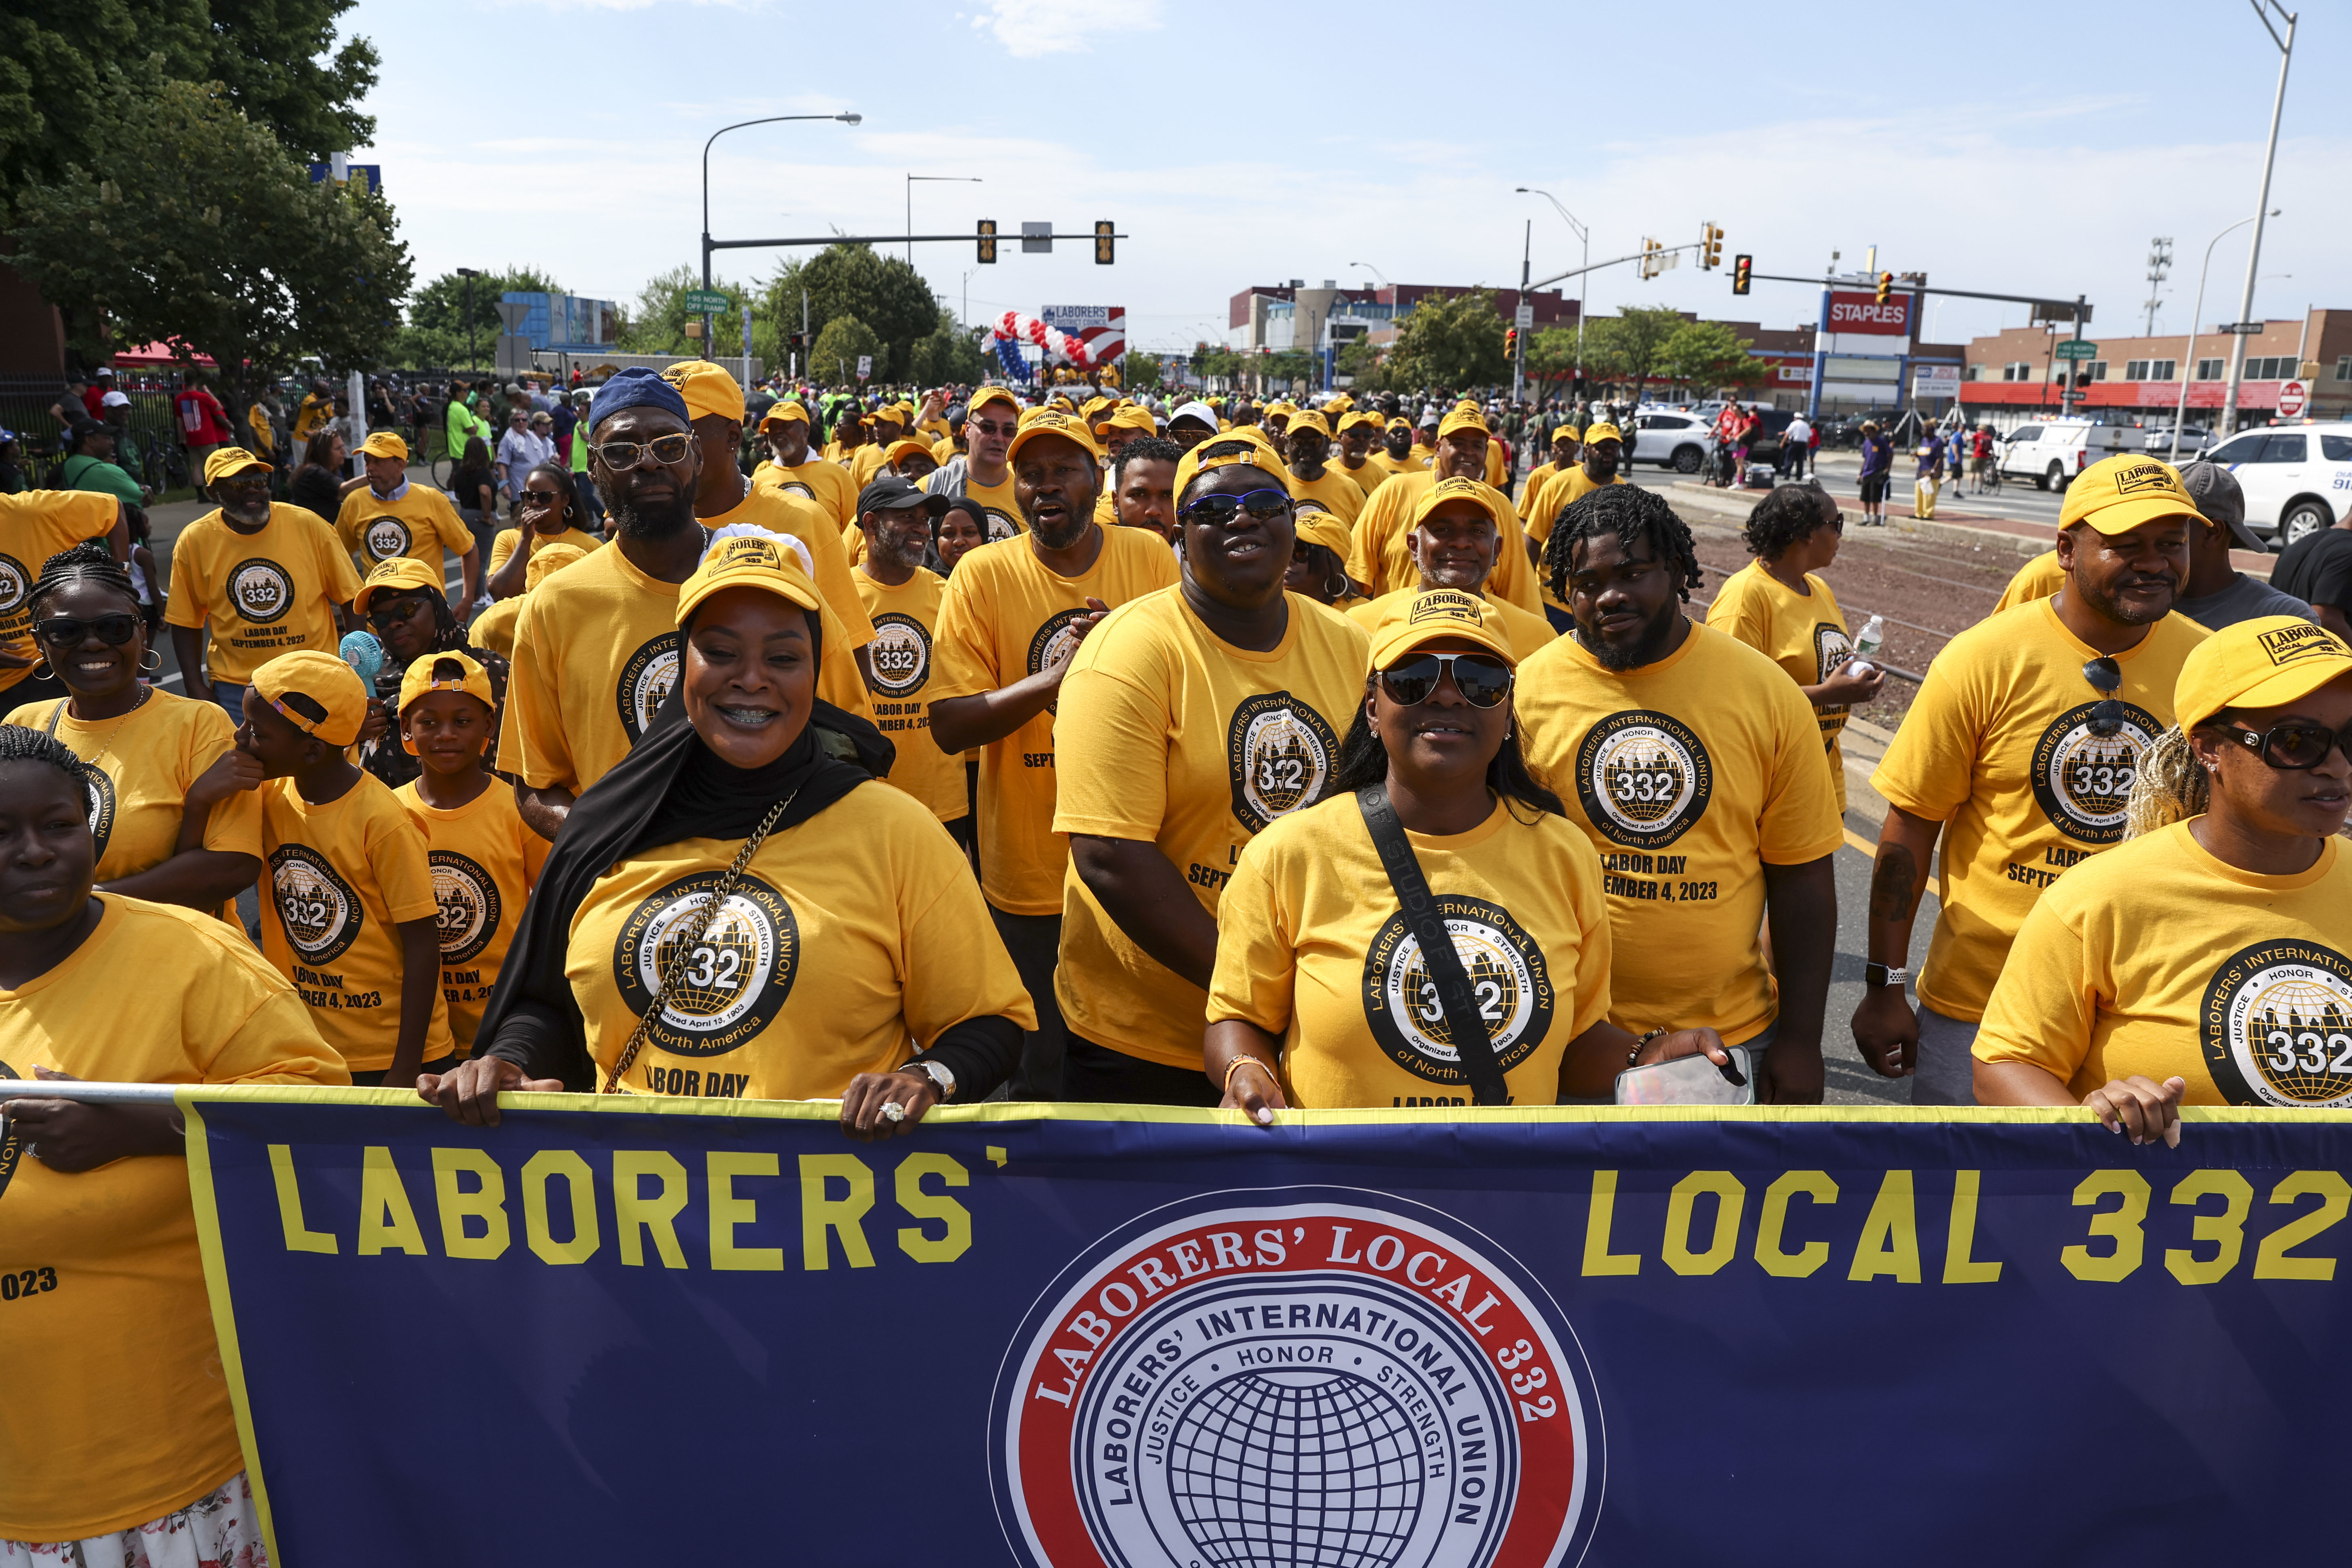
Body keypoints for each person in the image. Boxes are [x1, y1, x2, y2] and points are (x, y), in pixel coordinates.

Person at [420, 535, 1034, 1128]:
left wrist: (926, 1077)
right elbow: (545, 1004)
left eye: (783, 657)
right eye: (719, 651)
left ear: (814, 675)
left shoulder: (896, 832)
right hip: (631, 1216)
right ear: (681, 665)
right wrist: (509, 1062)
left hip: (826, 1215)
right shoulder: (605, 829)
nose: (750, 678)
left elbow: (989, 1023)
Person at [0, 723, 344, 1565]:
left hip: (166, 1467)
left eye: (59, 825)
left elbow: (321, 1114)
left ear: (93, 828)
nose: (35, 852)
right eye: (2, 834)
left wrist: (140, 1128)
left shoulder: (191, 955)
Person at [1206, 588, 1731, 1114]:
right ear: (1372, 705)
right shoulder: (1286, 854)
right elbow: (1237, 1018)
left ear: (1506, 714)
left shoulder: (1564, 854)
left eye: (1479, 681)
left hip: (1497, 1189)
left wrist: (1648, 1055)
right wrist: (1244, 1070)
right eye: (1414, 678)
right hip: (1342, 1190)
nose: (1448, 696)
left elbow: (1574, 1042)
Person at [1855, 454, 2212, 1104]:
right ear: (2065, 550)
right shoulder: (1981, 660)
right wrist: (1883, 984)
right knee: (1962, 1197)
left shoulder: (2206, 668)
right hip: (1981, 1004)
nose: (2155, 562)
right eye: (2125, 545)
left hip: (2143, 1008)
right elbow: (1910, 825)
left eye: (2170, 543)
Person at [1052, 435, 1370, 1103]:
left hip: (1311, 1029)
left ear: (1292, 519)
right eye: (1211, 510)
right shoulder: (1127, 652)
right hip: (1146, 1038)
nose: (1241, 518)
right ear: (1177, 532)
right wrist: (1259, 994)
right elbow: (1110, 855)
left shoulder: (1348, 644)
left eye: (1263, 502)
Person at [1521, 484, 1842, 1102]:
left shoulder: (1765, 693)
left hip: (1731, 1039)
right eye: (1585, 584)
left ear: (1674, 570)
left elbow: (1801, 877)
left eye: (1632, 573)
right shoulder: (1524, 693)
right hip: (1569, 1040)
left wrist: (1801, 1040)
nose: (1608, 596)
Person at [1975, 616, 2352, 1130]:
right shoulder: (2101, 898)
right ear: (2209, 748)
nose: (2337, 765)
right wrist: (2094, 1121)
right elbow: (2003, 1066)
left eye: (2350, 739)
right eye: (2296, 741)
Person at [500, 368, 865, 840]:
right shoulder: (554, 605)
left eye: (668, 446)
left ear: (694, 454)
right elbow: (534, 784)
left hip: (777, 883)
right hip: (628, 894)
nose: (648, 463)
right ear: (591, 470)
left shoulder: (775, 576)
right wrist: (614, 845)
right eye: (622, 452)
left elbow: (850, 746)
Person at [929, 411, 1180, 1097]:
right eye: (1030, 474)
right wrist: (1054, 678)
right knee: (1039, 1068)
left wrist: (1121, 648)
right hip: (1028, 871)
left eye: (1062, 471)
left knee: (1136, 1059)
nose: (1045, 487)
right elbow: (950, 725)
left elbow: (1186, 689)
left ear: (1096, 479)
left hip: (1141, 855)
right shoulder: (980, 575)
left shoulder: (1148, 558)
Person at [4, 540, 262, 915]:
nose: (92, 643)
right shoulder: (22, 726)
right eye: (65, 631)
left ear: (142, 634)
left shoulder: (198, 723)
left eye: (114, 627)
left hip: (174, 963)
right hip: (52, 965)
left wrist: (86, 902)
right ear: (40, 643)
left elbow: (231, 866)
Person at [241, 649, 453, 1087]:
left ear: (314, 750)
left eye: (257, 732)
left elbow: (422, 944)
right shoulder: (270, 795)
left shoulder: (383, 821)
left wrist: (405, 1067)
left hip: (393, 1052)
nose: (240, 739)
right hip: (313, 1045)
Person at [664, 360, 877, 712]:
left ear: (734, 436)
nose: (668, 447)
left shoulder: (803, 522)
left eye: (683, 431)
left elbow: (851, 653)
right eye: (658, 433)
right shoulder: (645, 524)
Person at [393, 649, 545, 1056]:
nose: (446, 734)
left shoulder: (519, 811)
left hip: (503, 1027)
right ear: (406, 730)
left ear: (488, 728)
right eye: (428, 723)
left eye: (462, 722)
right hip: (418, 1036)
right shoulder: (389, 813)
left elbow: (549, 912)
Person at [1706, 484, 1885, 812]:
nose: (1840, 535)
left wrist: (1855, 674)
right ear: (1806, 532)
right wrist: (1826, 694)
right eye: (1837, 524)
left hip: (1823, 766)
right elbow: (1725, 699)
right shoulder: (1746, 596)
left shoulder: (1816, 587)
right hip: (1770, 781)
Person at [167, 448, 361, 725]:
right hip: (237, 687)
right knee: (248, 766)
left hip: (313, 678)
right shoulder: (194, 541)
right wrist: (194, 685)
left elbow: (351, 597)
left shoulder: (309, 526)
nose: (252, 491)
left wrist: (355, 665)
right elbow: (184, 620)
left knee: (320, 761)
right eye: (238, 485)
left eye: (258, 482)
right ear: (213, 494)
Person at [852, 475, 969, 850]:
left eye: (924, 519)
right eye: (907, 518)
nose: (922, 528)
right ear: (871, 524)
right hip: (865, 795)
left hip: (942, 798)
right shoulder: (840, 595)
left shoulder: (946, 594)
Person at [1346, 404, 1541, 610]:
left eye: (1477, 446)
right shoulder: (1394, 491)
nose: (1468, 452)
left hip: (1477, 637)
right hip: (1400, 634)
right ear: (1438, 448)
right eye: (1458, 444)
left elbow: (1520, 594)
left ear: (1487, 451)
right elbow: (1356, 573)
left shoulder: (1500, 506)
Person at [1348, 477, 1554, 662]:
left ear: (1497, 550)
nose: (1461, 543)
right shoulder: (1358, 628)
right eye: (1443, 530)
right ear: (1414, 547)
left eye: (1477, 531)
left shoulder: (1538, 639)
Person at [352, 556, 509, 790]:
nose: (395, 623)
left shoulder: (490, 671)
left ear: (437, 607)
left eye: (406, 610)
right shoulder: (368, 681)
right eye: (382, 618)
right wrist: (351, 732)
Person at [336, 430, 482, 611]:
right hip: (376, 622)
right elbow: (340, 555)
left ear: (401, 465)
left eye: (378, 461)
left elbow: (468, 549)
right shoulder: (354, 502)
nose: (370, 468)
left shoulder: (432, 500)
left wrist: (467, 600)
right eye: (367, 461)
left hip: (428, 619)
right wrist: (353, 599)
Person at [922, 385, 1028, 542]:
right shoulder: (932, 488)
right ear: (968, 430)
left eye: (1008, 430)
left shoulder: (1029, 494)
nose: (999, 438)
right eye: (988, 428)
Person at [486, 460, 602, 600]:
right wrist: (525, 540)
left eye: (544, 496)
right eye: (529, 496)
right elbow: (499, 593)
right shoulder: (508, 538)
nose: (535, 502)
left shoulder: (591, 546)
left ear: (565, 500)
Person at [752, 397, 858, 532]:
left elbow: (854, 532)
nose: (778, 431)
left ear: (806, 430)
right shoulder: (758, 481)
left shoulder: (839, 476)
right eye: (773, 428)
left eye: (786, 426)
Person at [2272, 491, 2352, 639]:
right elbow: (2326, 617)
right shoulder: (2348, 553)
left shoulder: (2298, 544)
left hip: (2277, 649)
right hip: (2317, 657)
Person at [1280, 411, 1364, 525]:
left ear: (1328, 444)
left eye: (1316, 441)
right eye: (1298, 441)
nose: (1306, 447)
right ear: (1287, 444)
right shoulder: (1275, 482)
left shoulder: (1351, 490)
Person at [1286, 509, 1367, 612]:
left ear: (1330, 561)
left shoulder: (1361, 612)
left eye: (1301, 551)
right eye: (1287, 548)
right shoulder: (1271, 609)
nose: (1289, 559)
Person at [1108, 434, 1181, 542]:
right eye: (1139, 495)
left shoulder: (1204, 558)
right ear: (1116, 502)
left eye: (1169, 496)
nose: (1154, 511)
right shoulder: (1091, 558)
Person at [59, 421, 147, 508]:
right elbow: (143, 497)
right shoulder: (103, 470)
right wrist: (146, 489)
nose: (113, 443)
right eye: (107, 438)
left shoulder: (71, 463)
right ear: (90, 441)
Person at [287, 427, 352, 526]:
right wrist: (372, 477)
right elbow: (344, 490)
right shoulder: (313, 472)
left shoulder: (317, 471)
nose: (344, 452)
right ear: (324, 451)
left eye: (343, 447)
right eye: (338, 448)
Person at [173, 369, 232, 477]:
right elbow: (219, 407)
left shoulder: (179, 399)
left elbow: (179, 421)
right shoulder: (203, 397)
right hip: (207, 437)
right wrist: (208, 393)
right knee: (217, 463)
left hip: (191, 437)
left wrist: (182, 439)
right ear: (197, 381)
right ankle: (219, 487)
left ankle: (200, 492)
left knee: (196, 465)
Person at [1518, 422, 1581, 522]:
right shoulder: (1538, 475)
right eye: (1560, 444)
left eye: (1569, 444)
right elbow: (1523, 516)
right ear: (1553, 448)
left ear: (1577, 449)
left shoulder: (1584, 475)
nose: (1564, 448)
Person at [494, 407, 551, 515]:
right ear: (511, 423)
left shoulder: (532, 438)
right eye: (517, 420)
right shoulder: (508, 440)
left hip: (536, 489)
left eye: (524, 420)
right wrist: (504, 486)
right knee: (521, 522)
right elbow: (502, 465)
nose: (521, 422)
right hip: (519, 491)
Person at [1856, 421, 1892, 525]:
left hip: (1877, 472)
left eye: (1867, 431)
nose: (1866, 433)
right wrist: (1860, 474)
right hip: (1867, 473)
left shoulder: (1881, 441)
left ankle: (1875, 519)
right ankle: (1866, 518)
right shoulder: (1866, 443)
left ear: (1873, 430)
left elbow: (1890, 454)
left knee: (1874, 498)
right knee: (1865, 498)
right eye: (1865, 431)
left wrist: (1888, 469)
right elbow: (1866, 459)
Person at [1912, 426, 1945, 519]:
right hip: (1922, 470)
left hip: (1932, 471)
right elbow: (1923, 453)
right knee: (1919, 492)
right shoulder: (1924, 440)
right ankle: (1919, 513)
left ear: (1930, 431)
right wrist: (1916, 455)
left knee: (1929, 494)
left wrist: (1933, 471)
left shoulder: (1937, 442)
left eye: (1924, 429)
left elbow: (1940, 458)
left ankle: (1928, 514)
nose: (1922, 431)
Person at [1781, 412, 1814, 480]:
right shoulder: (1806, 425)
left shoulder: (1794, 424)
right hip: (1803, 445)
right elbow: (1810, 437)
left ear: (1796, 418)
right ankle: (1799, 477)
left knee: (1790, 459)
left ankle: (1786, 475)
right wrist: (1807, 446)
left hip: (1794, 444)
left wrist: (1783, 443)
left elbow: (1787, 434)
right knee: (1800, 461)